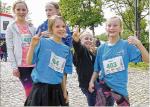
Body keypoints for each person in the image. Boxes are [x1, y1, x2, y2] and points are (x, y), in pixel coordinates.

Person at [88, 16, 149, 106]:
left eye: (115, 25)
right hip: (104, 85)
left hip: (120, 88)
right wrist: (91, 81)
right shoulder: (101, 48)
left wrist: (139, 44)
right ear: (106, 28)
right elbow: (97, 69)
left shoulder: (126, 45)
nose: (111, 28)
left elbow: (147, 60)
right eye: (109, 25)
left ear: (120, 28)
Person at [25, 15, 73, 106]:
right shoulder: (42, 42)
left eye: (63, 26)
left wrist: (64, 91)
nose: (61, 29)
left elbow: (63, 73)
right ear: (51, 29)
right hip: (40, 89)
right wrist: (32, 46)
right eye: (57, 26)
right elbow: (29, 62)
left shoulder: (66, 50)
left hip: (56, 90)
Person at [5, 0, 36, 97]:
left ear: (27, 11)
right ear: (14, 10)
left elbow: (36, 44)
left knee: (36, 90)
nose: (21, 12)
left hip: (34, 64)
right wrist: (14, 67)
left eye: (23, 9)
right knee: (29, 90)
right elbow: (9, 49)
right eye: (18, 9)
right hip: (22, 66)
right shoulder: (11, 27)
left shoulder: (31, 26)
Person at [72, 27, 97, 106]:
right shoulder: (81, 52)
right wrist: (76, 40)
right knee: (93, 102)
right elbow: (78, 47)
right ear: (81, 40)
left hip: (93, 82)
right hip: (86, 84)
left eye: (90, 39)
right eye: (86, 38)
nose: (89, 40)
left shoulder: (91, 54)